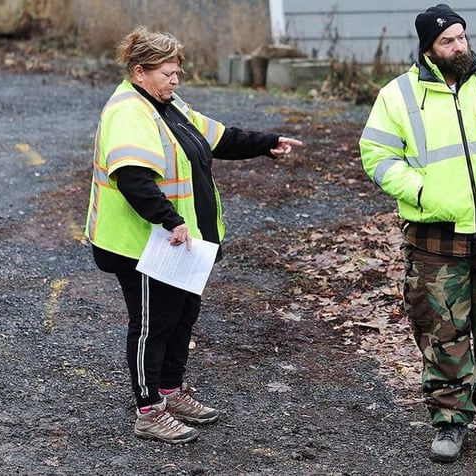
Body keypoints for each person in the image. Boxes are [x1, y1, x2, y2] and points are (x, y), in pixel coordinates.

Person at [84, 26, 303, 444]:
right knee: (153, 323)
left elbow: (215, 136)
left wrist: (266, 142)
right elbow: (132, 177)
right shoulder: (129, 111)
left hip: (182, 244)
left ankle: (170, 390)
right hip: (144, 244)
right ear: (139, 71)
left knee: (181, 315)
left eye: (177, 72)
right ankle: (149, 410)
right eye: (168, 73)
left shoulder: (167, 104)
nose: (176, 80)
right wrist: (169, 219)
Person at [359, 4, 476, 463]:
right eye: (448, 41)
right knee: (442, 332)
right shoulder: (398, 95)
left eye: (462, 37)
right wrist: (423, 194)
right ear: (428, 48)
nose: (459, 46)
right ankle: (450, 422)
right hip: (435, 239)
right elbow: (377, 155)